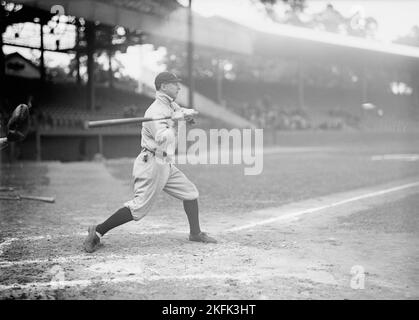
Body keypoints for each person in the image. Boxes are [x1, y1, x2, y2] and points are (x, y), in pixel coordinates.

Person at [83, 71, 217, 253]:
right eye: (174, 84)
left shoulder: (169, 104)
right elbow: (163, 138)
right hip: (152, 162)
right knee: (139, 208)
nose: (178, 87)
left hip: (165, 162)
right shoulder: (155, 111)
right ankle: (97, 231)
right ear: (163, 86)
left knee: (190, 192)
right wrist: (175, 124)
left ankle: (195, 233)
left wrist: (186, 115)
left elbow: (178, 112)